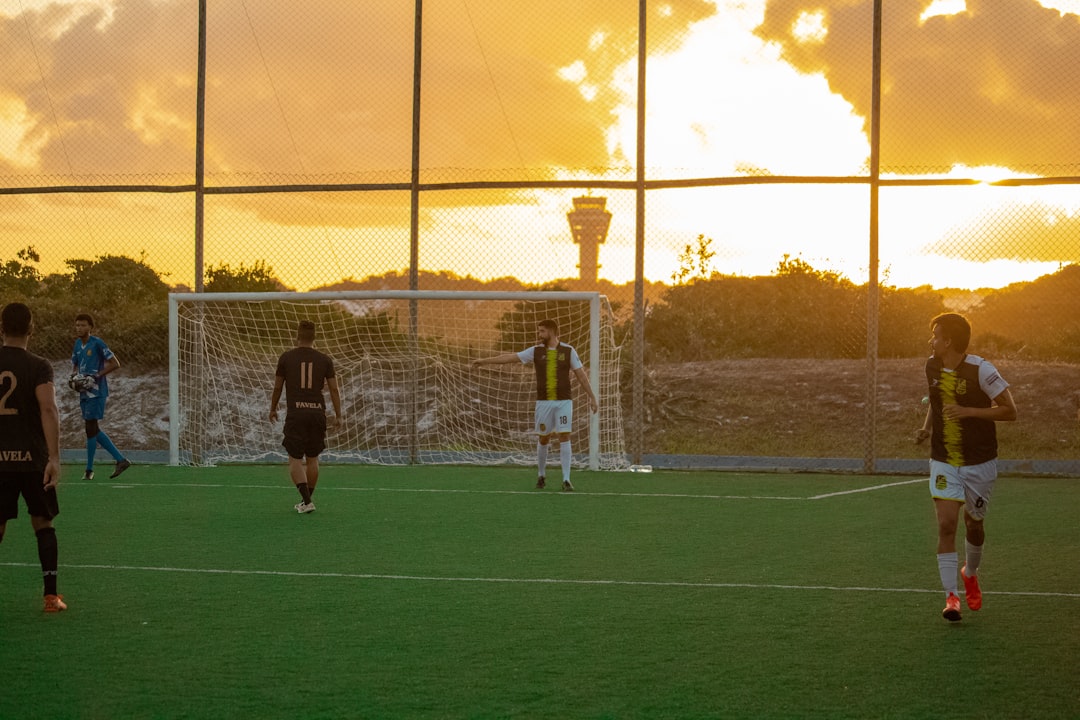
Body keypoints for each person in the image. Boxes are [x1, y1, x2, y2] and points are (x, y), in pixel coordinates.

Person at [915, 312, 1017, 622]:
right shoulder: (932, 365)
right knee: (947, 525)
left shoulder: (981, 370)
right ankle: (951, 597)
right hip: (944, 459)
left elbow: (1010, 411)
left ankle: (970, 572)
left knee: (974, 525)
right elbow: (937, 402)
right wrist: (927, 428)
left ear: (948, 341)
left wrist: (967, 411)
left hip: (980, 462)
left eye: (936, 335)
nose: (931, 340)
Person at [473, 319, 599, 491]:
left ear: (553, 332)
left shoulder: (568, 351)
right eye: (539, 331)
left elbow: (581, 375)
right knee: (544, 437)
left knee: (564, 435)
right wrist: (485, 361)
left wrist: (592, 397)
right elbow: (511, 357)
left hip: (564, 402)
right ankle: (541, 475)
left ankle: (566, 479)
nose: (539, 335)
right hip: (543, 403)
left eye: (542, 331)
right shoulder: (536, 351)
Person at [0, 303, 66, 612]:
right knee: (43, 523)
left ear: (2, 328)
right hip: (32, 458)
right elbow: (48, 409)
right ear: (31, 328)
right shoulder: (39, 365)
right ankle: (51, 597)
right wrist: (54, 457)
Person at [269, 320, 342, 514]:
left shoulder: (286, 358)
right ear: (314, 338)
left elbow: (278, 386)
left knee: (294, 459)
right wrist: (338, 414)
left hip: (296, 414)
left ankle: (307, 501)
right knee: (312, 458)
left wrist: (273, 408)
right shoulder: (325, 360)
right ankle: (306, 500)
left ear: (297, 336)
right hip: (318, 413)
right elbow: (334, 389)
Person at [71, 313, 130, 480]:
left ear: (90, 327)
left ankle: (93, 468)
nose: (79, 328)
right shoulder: (77, 344)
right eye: (77, 325)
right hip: (84, 391)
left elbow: (115, 363)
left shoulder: (97, 343)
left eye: (83, 325)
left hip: (96, 391)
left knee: (91, 427)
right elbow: (75, 363)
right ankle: (117, 461)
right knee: (91, 428)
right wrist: (74, 377)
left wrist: (96, 376)